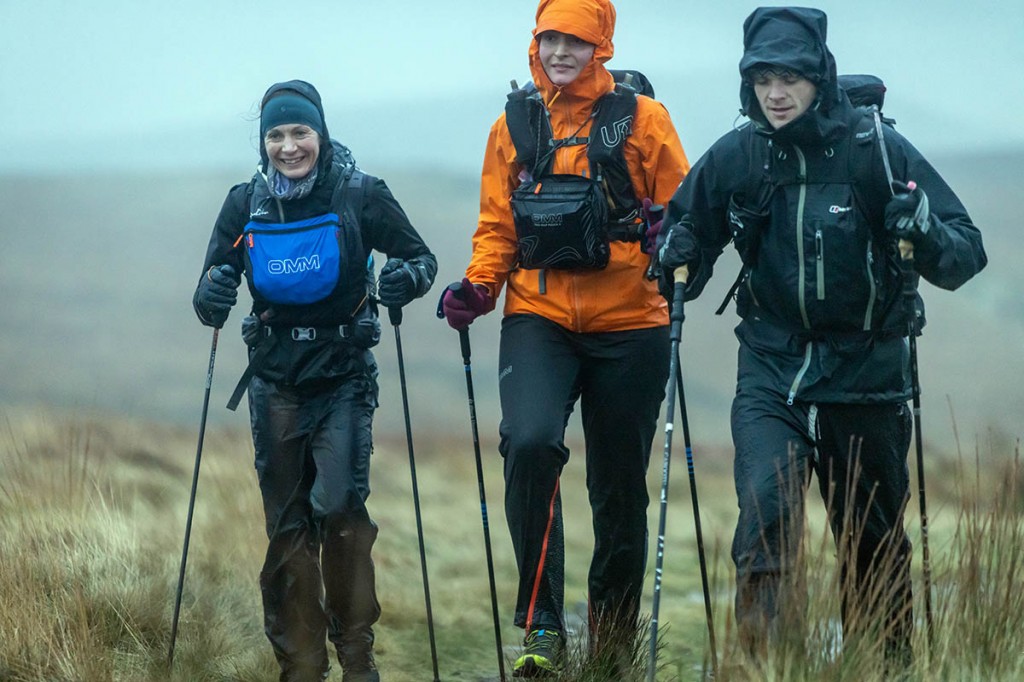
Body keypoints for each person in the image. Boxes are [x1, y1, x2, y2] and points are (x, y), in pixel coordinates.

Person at [657, 6, 987, 667]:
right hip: (771, 369)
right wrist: (675, 256)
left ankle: (885, 666)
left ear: (820, 77)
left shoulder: (876, 149)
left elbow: (963, 256)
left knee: (871, 542)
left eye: (791, 78)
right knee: (765, 517)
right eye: (762, 79)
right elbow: (679, 255)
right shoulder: (740, 153)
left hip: (867, 374)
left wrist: (920, 227)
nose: (775, 94)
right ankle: (767, 669)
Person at [439, 0, 690, 676]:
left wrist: (675, 243)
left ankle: (610, 644)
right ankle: (542, 626)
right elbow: (498, 227)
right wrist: (479, 289)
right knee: (528, 442)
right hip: (538, 315)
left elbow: (686, 213)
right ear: (536, 42)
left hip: (632, 323)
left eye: (575, 41)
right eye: (550, 38)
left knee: (617, 489)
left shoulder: (647, 122)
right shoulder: (513, 125)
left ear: (600, 44)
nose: (560, 52)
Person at [192, 80, 436, 682]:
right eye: (275, 134)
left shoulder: (360, 194)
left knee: (342, 511)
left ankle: (356, 656)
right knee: (288, 528)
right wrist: (210, 293)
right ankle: (300, 666)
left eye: (300, 132)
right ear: (263, 141)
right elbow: (208, 297)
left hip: (344, 379)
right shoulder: (243, 204)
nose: (288, 146)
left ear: (321, 135)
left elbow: (421, 259)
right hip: (274, 383)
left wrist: (405, 278)